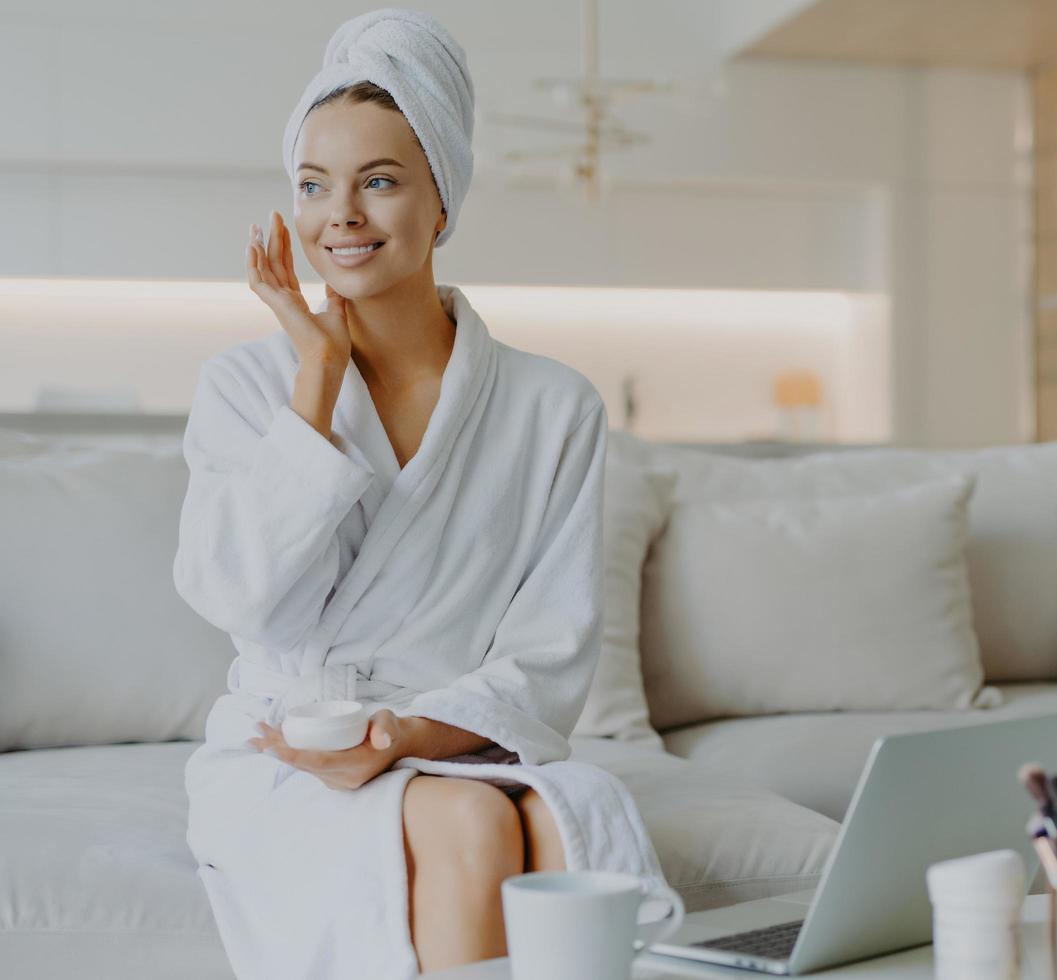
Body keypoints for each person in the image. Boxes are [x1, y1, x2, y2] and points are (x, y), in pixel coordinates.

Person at [174, 10, 664, 980]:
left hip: (451, 735)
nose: (340, 215)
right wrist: (312, 379)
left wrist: (401, 734)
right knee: (473, 821)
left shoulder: (549, 405)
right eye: (314, 185)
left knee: (567, 824)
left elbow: (551, 650)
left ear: (443, 200)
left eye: (380, 181)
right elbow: (236, 597)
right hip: (287, 750)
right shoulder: (245, 384)